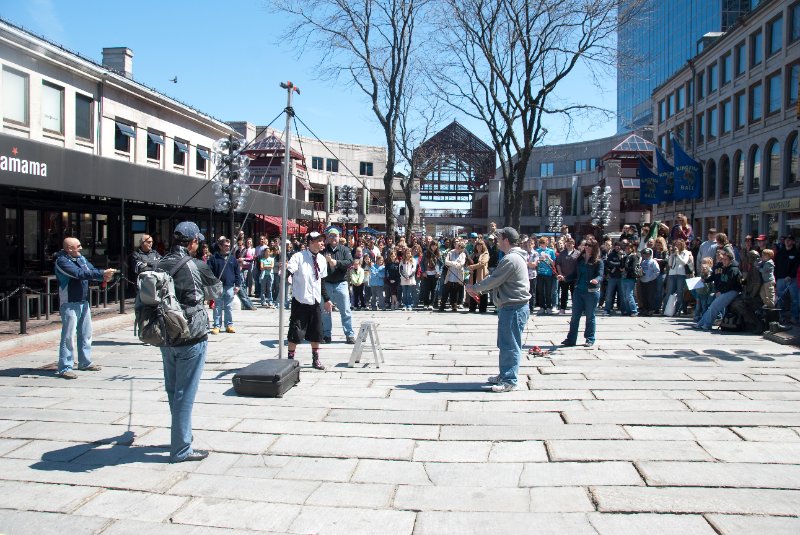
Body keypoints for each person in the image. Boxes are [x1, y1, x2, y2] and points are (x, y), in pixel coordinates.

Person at [158, 221, 222, 462]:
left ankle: (181, 437)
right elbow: (216, 290)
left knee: (173, 389)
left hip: (165, 333)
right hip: (191, 333)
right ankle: (181, 448)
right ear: (193, 242)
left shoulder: (160, 262)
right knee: (185, 392)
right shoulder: (196, 265)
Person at [466, 227, 531, 392]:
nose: (497, 241)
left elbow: (494, 280)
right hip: (510, 306)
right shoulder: (512, 257)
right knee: (505, 343)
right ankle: (505, 374)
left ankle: (510, 380)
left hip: (513, 308)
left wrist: (475, 288)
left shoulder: (511, 259)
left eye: (499, 238)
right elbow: (498, 282)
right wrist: (479, 288)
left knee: (510, 345)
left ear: (506, 240)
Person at [54, 238, 116, 379]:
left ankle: (85, 362)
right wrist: (101, 273)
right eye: (78, 246)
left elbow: (90, 270)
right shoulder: (62, 261)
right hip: (69, 302)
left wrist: (104, 276)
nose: (81, 248)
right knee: (68, 336)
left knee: (86, 333)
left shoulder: (81, 258)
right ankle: (65, 367)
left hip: (83, 301)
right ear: (69, 248)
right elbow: (78, 274)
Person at [287, 232, 334, 370]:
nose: (322, 243)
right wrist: (287, 274)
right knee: (295, 331)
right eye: (319, 241)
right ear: (311, 242)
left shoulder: (321, 259)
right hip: (300, 300)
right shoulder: (299, 256)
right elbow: (290, 269)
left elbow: (322, 281)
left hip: (315, 301)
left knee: (316, 331)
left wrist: (326, 299)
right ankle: (290, 359)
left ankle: (315, 359)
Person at [561, 238, 604, 347]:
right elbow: (575, 274)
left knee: (590, 316)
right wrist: (565, 278)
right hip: (579, 291)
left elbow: (600, 274)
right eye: (586, 245)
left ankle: (589, 339)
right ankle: (571, 339)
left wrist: (596, 280)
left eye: (589, 245)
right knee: (575, 317)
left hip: (591, 292)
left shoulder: (598, 261)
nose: (587, 247)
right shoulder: (580, 260)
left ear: (594, 248)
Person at [321, 228, 356, 344]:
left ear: (339, 237)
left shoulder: (344, 249)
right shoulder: (323, 250)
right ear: (327, 238)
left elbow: (350, 262)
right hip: (327, 283)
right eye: (330, 236)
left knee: (345, 310)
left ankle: (349, 334)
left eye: (335, 236)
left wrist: (336, 263)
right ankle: (326, 335)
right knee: (326, 311)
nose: (333, 238)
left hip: (341, 283)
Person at [695, 248, 742, 331]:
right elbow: (715, 277)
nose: (723, 261)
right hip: (723, 291)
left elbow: (730, 284)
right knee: (712, 306)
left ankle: (707, 324)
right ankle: (701, 323)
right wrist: (705, 280)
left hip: (732, 291)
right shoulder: (722, 267)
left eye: (725, 260)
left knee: (715, 306)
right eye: (722, 259)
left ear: (730, 260)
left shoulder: (734, 269)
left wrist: (721, 291)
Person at [207, 237, 241, 334]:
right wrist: (212, 283)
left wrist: (237, 285)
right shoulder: (214, 258)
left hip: (230, 286)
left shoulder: (232, 258)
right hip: (218, 286)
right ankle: (217, 326)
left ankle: (229, 325)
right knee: (217, 307)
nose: (228, 248)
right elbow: (209, 272)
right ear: (220, 246)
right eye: (225, 246)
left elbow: (237, 272)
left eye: (229, 246)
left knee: (228, 307)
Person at [663, 239, 692, 316]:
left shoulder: (685, 252)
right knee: (670, 292)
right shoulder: (673, 253)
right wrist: (672, 255)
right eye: (676, 244)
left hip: (681, 274)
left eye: (679, 244)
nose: (677, 246)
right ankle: (666, 309)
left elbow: (684, 262)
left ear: (682, 245)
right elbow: (670, 264)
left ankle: (679, 310)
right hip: (672, 274)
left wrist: (678, 255)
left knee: (680, 292)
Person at [774, 235, 799, 324]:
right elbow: (776, 266)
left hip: (792, 279)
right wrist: (776, 278)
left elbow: (796, 266)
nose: (787, 242)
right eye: (786, 240)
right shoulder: (780, 253)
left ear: (793, 242)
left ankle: (794, 316)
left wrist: (790, 275)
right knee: (780, 299)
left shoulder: (796, 253)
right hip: (780, 278)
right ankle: (782, 316)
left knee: (795, 299)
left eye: (789, 240)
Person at [555, 237, 580, 314]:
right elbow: (558, 264)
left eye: (570, 244)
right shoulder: (562, 253)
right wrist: (560, 274)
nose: (569, 245)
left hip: (574, 277)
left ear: (573, 244)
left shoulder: (578, 253)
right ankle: (562, 308)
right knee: (564, 293)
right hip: (564, 277)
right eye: (567, 243)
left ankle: (575, 308)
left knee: (574, 294)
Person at [440, 240, 466, 312]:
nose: (459, 248)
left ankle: (454, 305)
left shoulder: (463, 254)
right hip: (450, 274)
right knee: (446, 291)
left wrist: (453, 264)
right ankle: (442, 305)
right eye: (458, 246)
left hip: (458, 275)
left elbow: (462, 264)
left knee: (455, 291)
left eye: (461, 247)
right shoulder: (450, 253)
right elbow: (446, 262)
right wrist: (455, 263)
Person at [467, 238, 489, 313]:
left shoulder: (485, 254)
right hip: (473, 275)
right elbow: (468, 261)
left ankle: (482, 308)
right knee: (472, 291)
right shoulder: (473, 254)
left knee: (482, 291)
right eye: (478, 245)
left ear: (483, 246)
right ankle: (472, 307)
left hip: (481, 275)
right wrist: (469, 266)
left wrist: (472, 267)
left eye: (481, 245)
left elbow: (482, 263)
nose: (479, 247)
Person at [638, 248, 661, 316]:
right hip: (643, 281)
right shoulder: (643, 262)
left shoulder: (653, 261)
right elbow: (640, 270)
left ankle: (650, 310)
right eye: (645, 254)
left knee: (650, 296)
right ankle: (645, 309)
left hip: (650, 282)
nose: (647, 255)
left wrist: (651, 278)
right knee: (644, 296)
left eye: (648, 254)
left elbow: (657, 271)